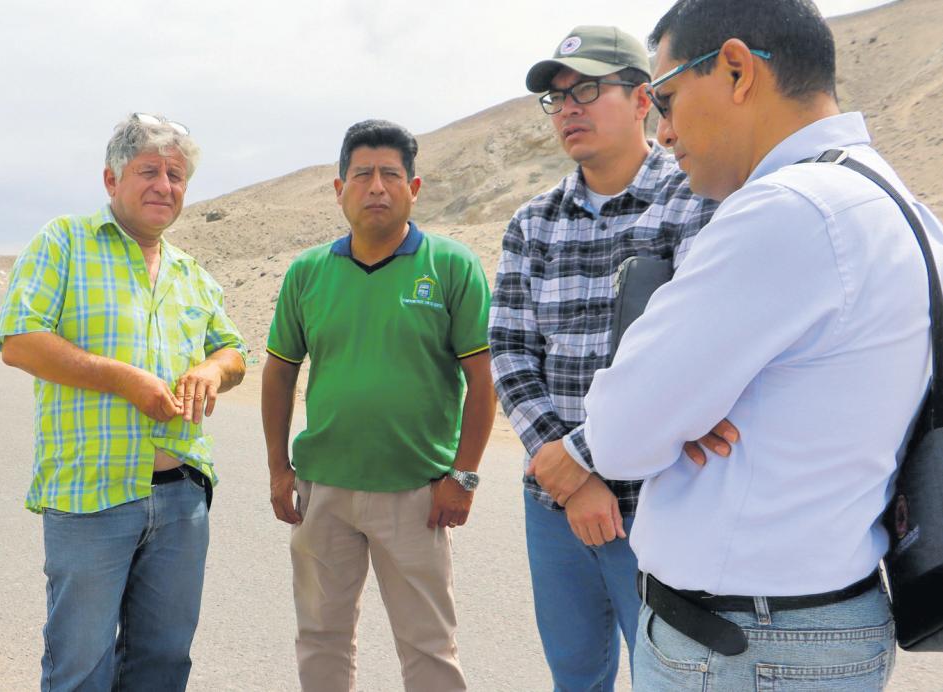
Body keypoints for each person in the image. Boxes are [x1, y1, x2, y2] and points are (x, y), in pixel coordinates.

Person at [529, 1, 943, 688]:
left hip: (743, 645)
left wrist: (670, 412)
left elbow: (622, 434)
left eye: (666, 99)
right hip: (808, 622)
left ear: (735, 69)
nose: (663, 131)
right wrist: (682, 412)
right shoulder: (893, 204)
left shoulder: (788, 210)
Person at [490, 26, 717, 690]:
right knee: (575, 674)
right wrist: (567, 474)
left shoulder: (692, 198)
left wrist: (586, 460)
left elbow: (690, 355)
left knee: (668, 675)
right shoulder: (533, 222)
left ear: (643, 98)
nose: (568, 108)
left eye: (587, 89)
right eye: (556, 97)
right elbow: (510, 350)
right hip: (552, 503)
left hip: (658, 501)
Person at [0, 112, 246, 692]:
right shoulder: (64, 242)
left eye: (176, 175)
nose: (164, 185)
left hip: (181, 496)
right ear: (112, 179)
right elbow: (19, 341)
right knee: (80, 667)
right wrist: (125, 380)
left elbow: (233, 350)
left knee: (164, 663)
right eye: (148, 171)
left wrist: (212, 369)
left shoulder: (190, 273)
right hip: (91, 494)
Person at [262, 119, 495, 691]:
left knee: (428, 646)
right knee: (321, 636)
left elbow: (483, 379)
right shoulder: (308, 272)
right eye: (361, 174)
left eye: (390, 175)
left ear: (413, 188)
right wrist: (278, 469)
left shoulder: (451, 266)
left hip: (418, 494)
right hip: (324, 491)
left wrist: (463, 476)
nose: (376, 187)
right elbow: (279, 371)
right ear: (338, 188)